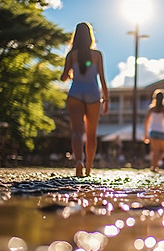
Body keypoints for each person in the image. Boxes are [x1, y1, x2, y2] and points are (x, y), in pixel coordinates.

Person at [60, 22, 109, 177]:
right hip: (93, 95)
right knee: (91, 133)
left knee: (76, 131)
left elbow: (63, 77)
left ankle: (79, 161)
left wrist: (69, 73)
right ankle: (88, 167)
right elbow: (102, 79)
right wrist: (106, 100)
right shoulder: (97, 55)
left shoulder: (71, 55)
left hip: (75, 93)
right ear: (89, 36)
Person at [143, 89, 164, 172]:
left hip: (153, 131)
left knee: (154, 151)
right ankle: (155, 166)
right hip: (163, 132)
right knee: (162, 152)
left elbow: (146, 122)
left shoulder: (151, 109)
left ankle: (153, 166)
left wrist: (145, 133)